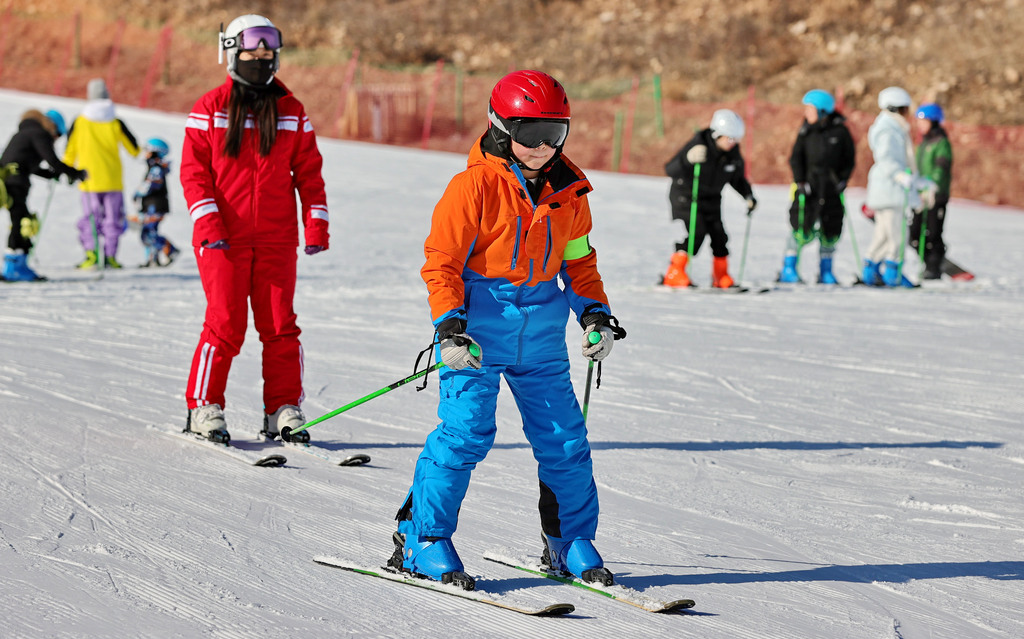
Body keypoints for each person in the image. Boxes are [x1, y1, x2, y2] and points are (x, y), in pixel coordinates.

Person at [388, 70, 626, 591]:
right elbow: (441, 263)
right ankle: (422, 538)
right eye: (528, 132)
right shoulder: (472, 186)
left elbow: (580, 264)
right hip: (476, 334)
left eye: (555, 133)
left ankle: (570, 539)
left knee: (564, 440)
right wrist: (449, 326)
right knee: (466, 433)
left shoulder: (570, 193)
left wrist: (594, 313)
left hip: (541, 333)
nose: (542, 146)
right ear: (500, 126)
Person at [180, 14, 329, 444]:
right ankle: (203, 406)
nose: (262, 59)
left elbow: (309, 174)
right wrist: (208, 221)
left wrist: (315, 223)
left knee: (280, 324)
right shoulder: (209, 109)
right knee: (225, 323)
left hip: (276, 238)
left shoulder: (291, 111)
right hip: (222, 238)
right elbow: (194, 174)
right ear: (229, 53)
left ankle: (282, 407)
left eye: (269, 52)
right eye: (252, 51)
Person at [661, 109, 757, 288]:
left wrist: (748, 196)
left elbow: (737, 178)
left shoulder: (733, 153)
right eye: (729, 139)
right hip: (687, 195)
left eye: (735, 139)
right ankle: (674, 272)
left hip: (712, 197)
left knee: (719, 235)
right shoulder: (699, 143)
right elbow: (670, 169)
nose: (732, 143)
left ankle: (721, 276)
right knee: (697, 231)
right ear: (716, 134)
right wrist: (688, 159)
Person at [777, 90, 856, 285]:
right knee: (801, 226)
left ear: (822, 111)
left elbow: (849, 159)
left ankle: (825, 270)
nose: (806, 113)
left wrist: (843, 180)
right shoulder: (806, 131)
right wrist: (800, 181)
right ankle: (789, 268)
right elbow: (796, 158)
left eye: (810, 109)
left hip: (830, 188)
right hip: (808, 188)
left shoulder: (840, 132)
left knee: (831, 229)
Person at [62, 78, 140, 270]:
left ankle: (91, 255)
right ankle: (110, 256)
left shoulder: (80, 121)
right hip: (112, 179)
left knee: (91, 218)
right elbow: (134, 149)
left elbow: (70, 151)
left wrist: (67, 170)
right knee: (113, 219)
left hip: (88, 180)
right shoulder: (115, 121)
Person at [1, 109, 86, 281]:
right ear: (52, 127)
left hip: (8, 181)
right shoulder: (40, 133)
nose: (56, 139)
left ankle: (17, 264)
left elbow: (29, 165)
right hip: (15, 183)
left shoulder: (25, 132)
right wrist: (76, 173)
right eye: (58, 135)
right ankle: (13, 267)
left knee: (21, 220)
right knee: (22, 222)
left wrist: (51, 174)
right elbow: (52, 161)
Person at [863, 86, 936, 287]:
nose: (908, 114)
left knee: (884, 234)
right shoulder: (888, 129)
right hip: (890, 190)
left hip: (890, 189)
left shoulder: (894, 127)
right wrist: (900, 176)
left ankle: (871, 269)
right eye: (905, 109)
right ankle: (892, 272)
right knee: (896, 235)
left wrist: (917, 180)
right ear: (895, 109)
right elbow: (886, 158)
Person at [908, 103, 952, 280]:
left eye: (923, 121)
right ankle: (930, 261)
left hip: (936, 195)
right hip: (920, 194)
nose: (920, 124)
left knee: (933, 232)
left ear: (933, 122)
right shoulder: (924, 142)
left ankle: (934, 265)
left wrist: (932, 183)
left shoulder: (941, 143)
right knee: (914, 235)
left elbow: (942, 167)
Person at [131, 137, 179, 267]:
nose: (145, 153)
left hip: (155, 206)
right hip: (150, 205)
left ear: (155, 152)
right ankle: (152, 259)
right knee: (149, 233)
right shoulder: (154, 167)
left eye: (147, 150)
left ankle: (170, 249)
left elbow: (151, 185)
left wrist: (138, 193)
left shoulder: (156, 169)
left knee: (148, 233)